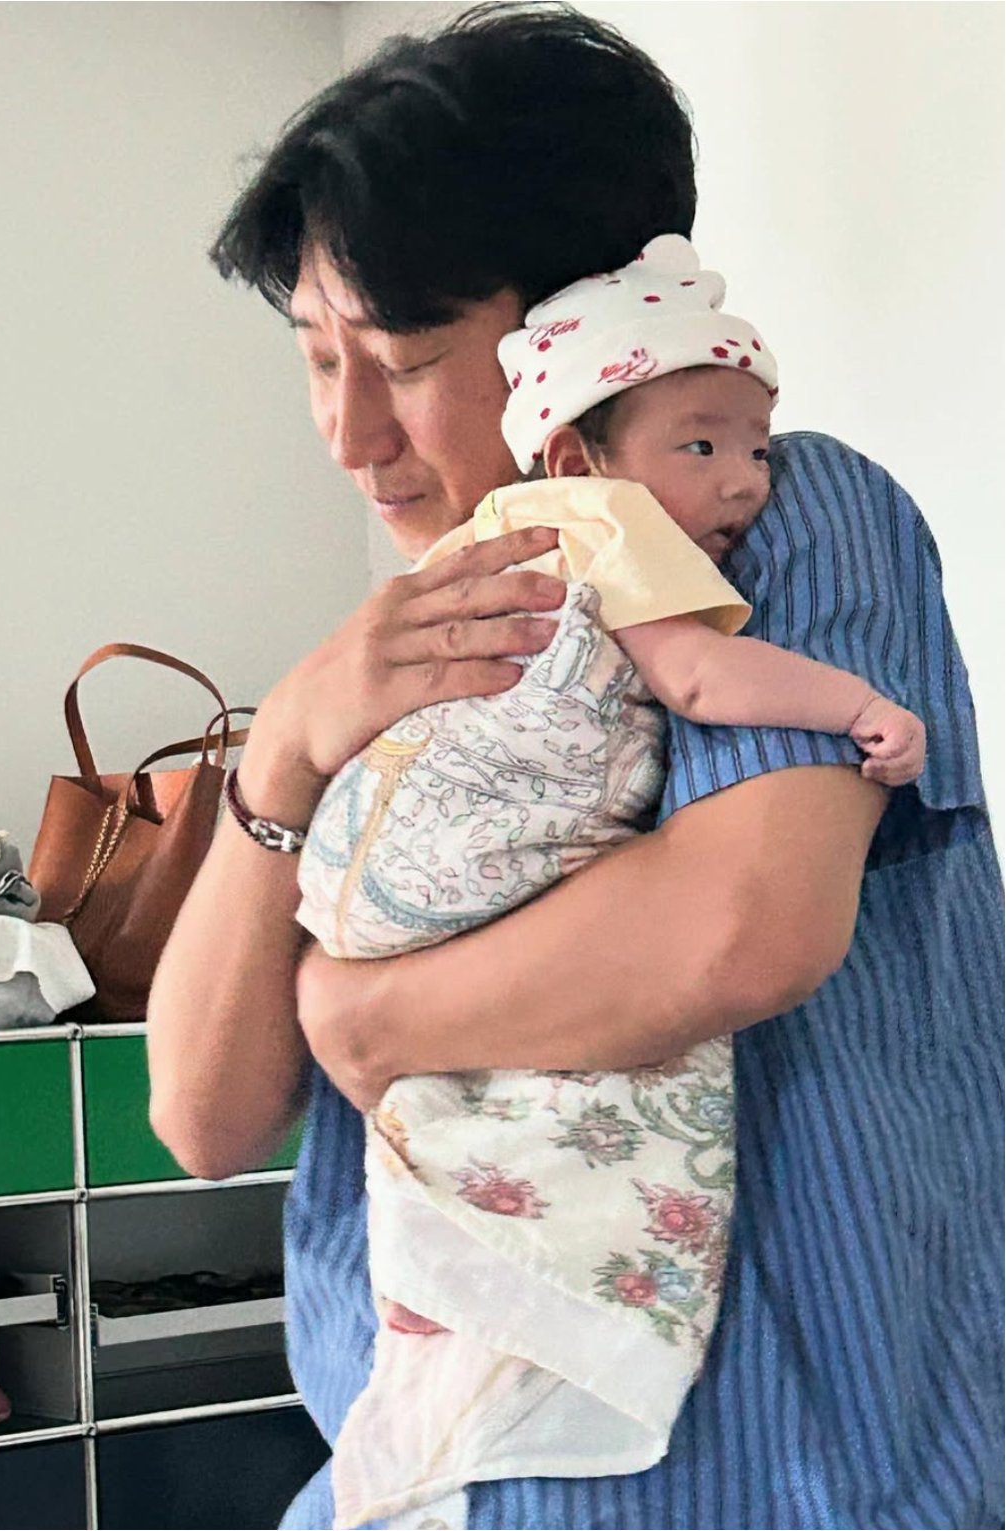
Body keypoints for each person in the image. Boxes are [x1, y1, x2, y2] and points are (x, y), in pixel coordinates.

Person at [147, 6, 1004, 1529]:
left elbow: (737, 928)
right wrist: (282, 747)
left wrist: (361, 1012)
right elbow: (204, 1121)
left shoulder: (769, 519)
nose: (349, 433)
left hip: (777, 1473)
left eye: (404, 361)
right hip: (427, 1478)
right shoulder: (395, 649)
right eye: (317, 359)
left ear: (586, 338)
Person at [294, 235, 927, 1529]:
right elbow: (697, 674)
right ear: (578, 444)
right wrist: (859, 708)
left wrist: (352, 1005)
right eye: (702, 445)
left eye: (755, 447)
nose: (745, 481)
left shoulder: (510, 551)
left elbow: (739, 933)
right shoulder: (593, 524)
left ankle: (441, 1334)